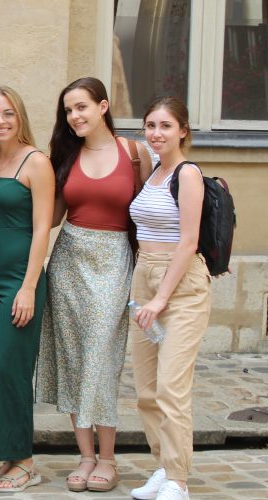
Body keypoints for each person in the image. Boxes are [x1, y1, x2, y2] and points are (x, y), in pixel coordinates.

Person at [36, 76, 152, 493]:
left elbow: (151, 214)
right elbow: (49, 217)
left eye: (82, 107)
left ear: (104, 106)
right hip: (69, 259)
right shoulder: (65, 154)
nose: (74, 116)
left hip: (114, 258)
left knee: (101, 359)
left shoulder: (135, 154)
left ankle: (108, 458)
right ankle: (84, 456)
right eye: (68, 110)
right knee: (73, 358)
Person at [0, 86, 54, 493]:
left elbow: (41, 228)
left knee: (10, 368)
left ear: (20, 117)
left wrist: (29, 287)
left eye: (7, 114)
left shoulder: (36, 162)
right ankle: (6, 455)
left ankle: (26, 460)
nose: (0, 121)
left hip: (19, 278)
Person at [127, 96, 210, 500]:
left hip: (181, 287)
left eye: (164, 126)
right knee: (145, 389)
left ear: (183, 130)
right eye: (150, 126)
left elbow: (189, 241)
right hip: (145, 277)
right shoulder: (154, 171)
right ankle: (163, 466)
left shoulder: (187, 173)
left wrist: (160, 298)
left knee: (171, 388)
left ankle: (178, 479)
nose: (156, 134)